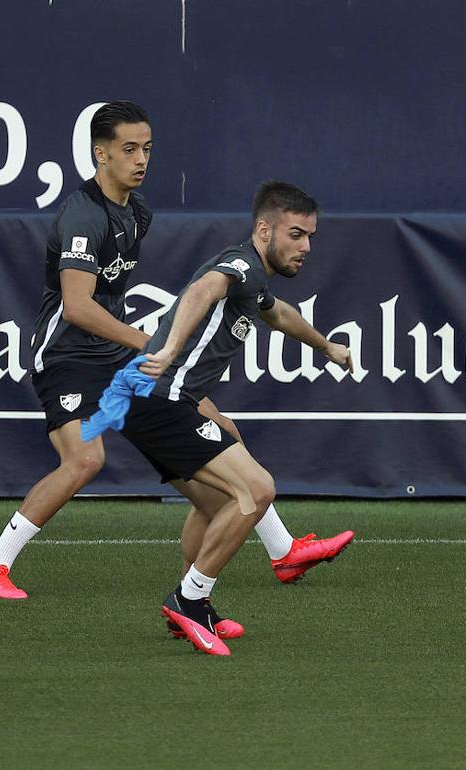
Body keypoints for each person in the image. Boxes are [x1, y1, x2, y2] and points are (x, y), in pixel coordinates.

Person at [0, 102, 350, 601]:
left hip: (110, 356)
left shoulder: (137, 212)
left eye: (147, 148)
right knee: (84, 460)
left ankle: (278, 551)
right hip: (65, 357)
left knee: (216, 431)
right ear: (100, 154)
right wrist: (152, 343)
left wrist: (324, 346)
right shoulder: (84, 215)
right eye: (129, 149)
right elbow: (78, 307)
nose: (141, 159)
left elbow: (270, 310)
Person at [84, 181, 348, 656]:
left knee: (215, 500)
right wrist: (165, 349)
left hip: (156, 401)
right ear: (264, 229)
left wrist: (326, 346)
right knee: (257, 489)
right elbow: (203, 289)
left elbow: (281, 315)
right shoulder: (242, 264)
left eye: (310, 236)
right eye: (295, 234)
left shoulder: (256, 281)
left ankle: (199, 605)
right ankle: (189, 600)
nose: (305, 246)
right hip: (160, 399)